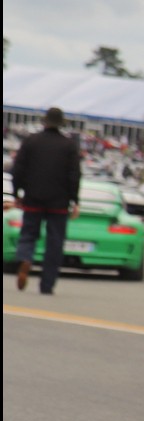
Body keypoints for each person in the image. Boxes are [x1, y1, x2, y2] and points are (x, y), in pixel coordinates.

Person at [10, 107, 81, 296]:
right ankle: (47, 285)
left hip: (33, 197)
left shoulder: (31, 142)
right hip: (59, 202)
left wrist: (16, 192)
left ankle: (25, 258)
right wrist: (75, 199)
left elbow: (18, 169)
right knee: (55, 242)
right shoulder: (69, 146)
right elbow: (74, 175)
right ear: (61, 124)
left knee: (28, 234)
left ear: (45, 122)